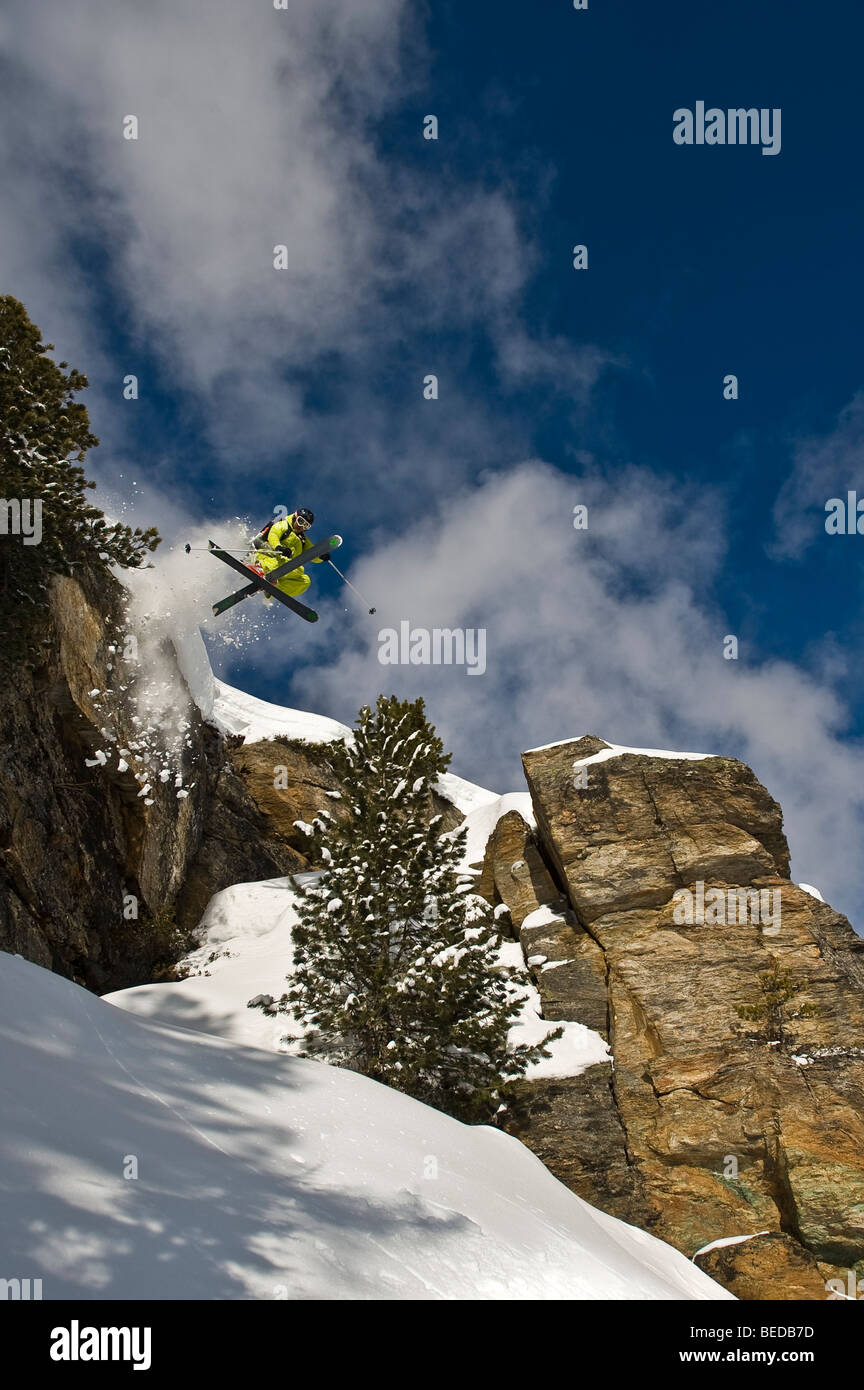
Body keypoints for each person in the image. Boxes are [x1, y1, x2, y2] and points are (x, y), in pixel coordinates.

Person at [249, 507, 329, 598]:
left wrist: (320, 555)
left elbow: (311, 552)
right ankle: (260, 568)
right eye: (301, 521)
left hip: (282, 569)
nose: (301, 527)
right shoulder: (284, 525)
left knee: (305, 581)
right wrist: (279, 547)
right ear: (295, 517)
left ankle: (274, 588)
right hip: (266, 556)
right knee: (291, 564)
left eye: (306, 526)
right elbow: (273, 535)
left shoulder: (302, 540)